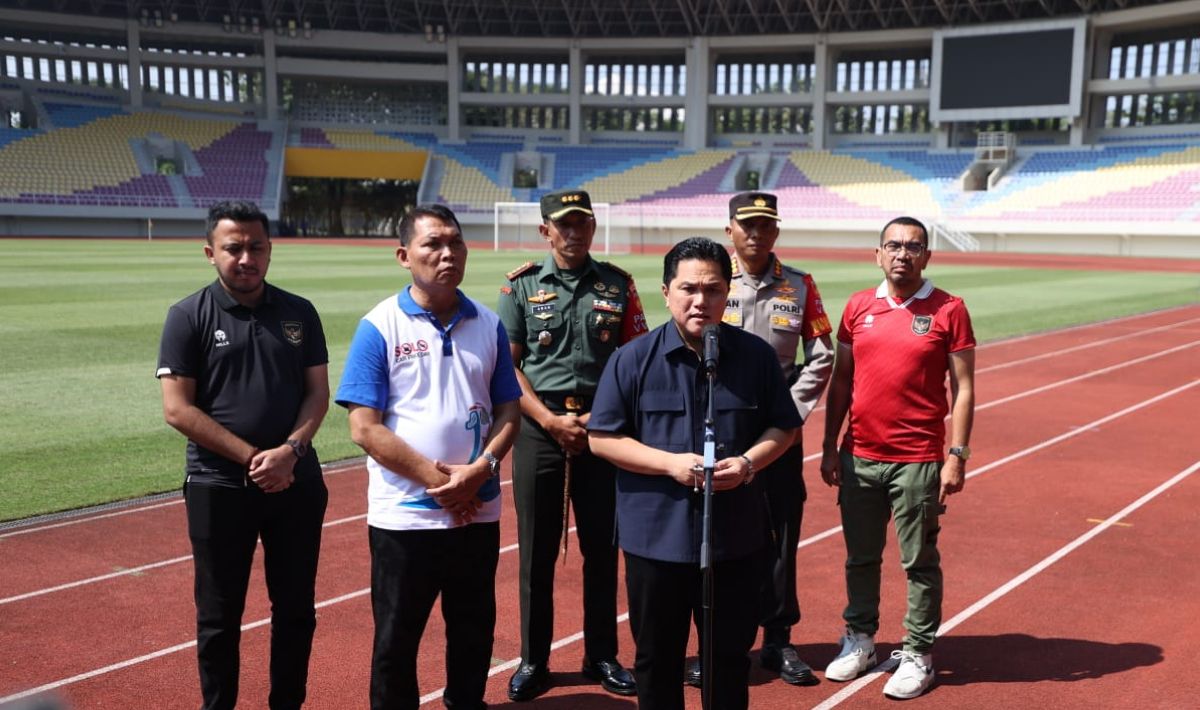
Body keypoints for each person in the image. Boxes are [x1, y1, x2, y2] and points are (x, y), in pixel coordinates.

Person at [588, 237, 803, 710]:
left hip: (735, 541)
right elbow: (601, 437)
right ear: (666, 292)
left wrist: (748, 463)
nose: (699, 300)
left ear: (728, 293)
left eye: (712, 289)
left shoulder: (756, 357)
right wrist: (670, 464)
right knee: (656, 662)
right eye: (687, 288)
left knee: (728, 662)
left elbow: (784, 426)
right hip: (655, 541)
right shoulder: (632, 359)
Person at [336, 204, 522, 710]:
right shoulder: (379, 326)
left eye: (456, 243)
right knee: (396, 641)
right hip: (405, 519)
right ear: (403, 255)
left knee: (473, 632)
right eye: (433, 244)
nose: (447, 253)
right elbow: (363, 427)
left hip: (478, 513)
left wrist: (478, 472)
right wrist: (444, 484)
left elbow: (509, 409)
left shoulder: (487, 324)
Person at [157, 200, 330, 710]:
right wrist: (258, 457)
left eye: (256, 247)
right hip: (219, 486)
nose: (246, 258)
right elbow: (177, 410)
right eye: (234, 248)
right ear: (211, 252)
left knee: (296, 609)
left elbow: (317, 394)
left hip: (295, 482)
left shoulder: (299, 312)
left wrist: (291, 452)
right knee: (218, 616)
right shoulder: (187, 316)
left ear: (270, 251)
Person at [497, 188, 647, 701]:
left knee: (602, 550)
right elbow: (508, 367)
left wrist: (596, 418)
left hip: (602, 431)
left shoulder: (618, 285)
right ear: (546, 230)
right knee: (537, 552)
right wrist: (548, 419)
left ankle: (601, 653)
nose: (574, 231)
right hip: (540, 431)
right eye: (564, 224)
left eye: (582, 222)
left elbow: (634, 361)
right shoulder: (520, 287)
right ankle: (534, 659)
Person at [819, 216, 976, 700]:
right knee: (860, 558)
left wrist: (957, 456)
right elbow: (841, 381)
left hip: (918, 460)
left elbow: (964, 388)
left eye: (913, 246)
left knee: (918, 562)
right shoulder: (858, 306)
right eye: (893, 245)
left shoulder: (949, 309)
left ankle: (918, 652)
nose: (902, 254)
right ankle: (861, 638)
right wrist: (829, 445)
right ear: (878, 253)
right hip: (859, 456)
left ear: (927, 256)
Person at [686, 192, 834, 687]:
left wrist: (786, 415)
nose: (756, 233)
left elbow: (822, 355)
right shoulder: (711, 285)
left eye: (765, 225)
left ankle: (778, 639)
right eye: (747, 225)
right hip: (720, 434)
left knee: (780, 537)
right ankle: (715, 644)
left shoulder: (800, 285)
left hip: (778, 439)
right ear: (730, 229)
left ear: (776, 231)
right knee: (712, 535)